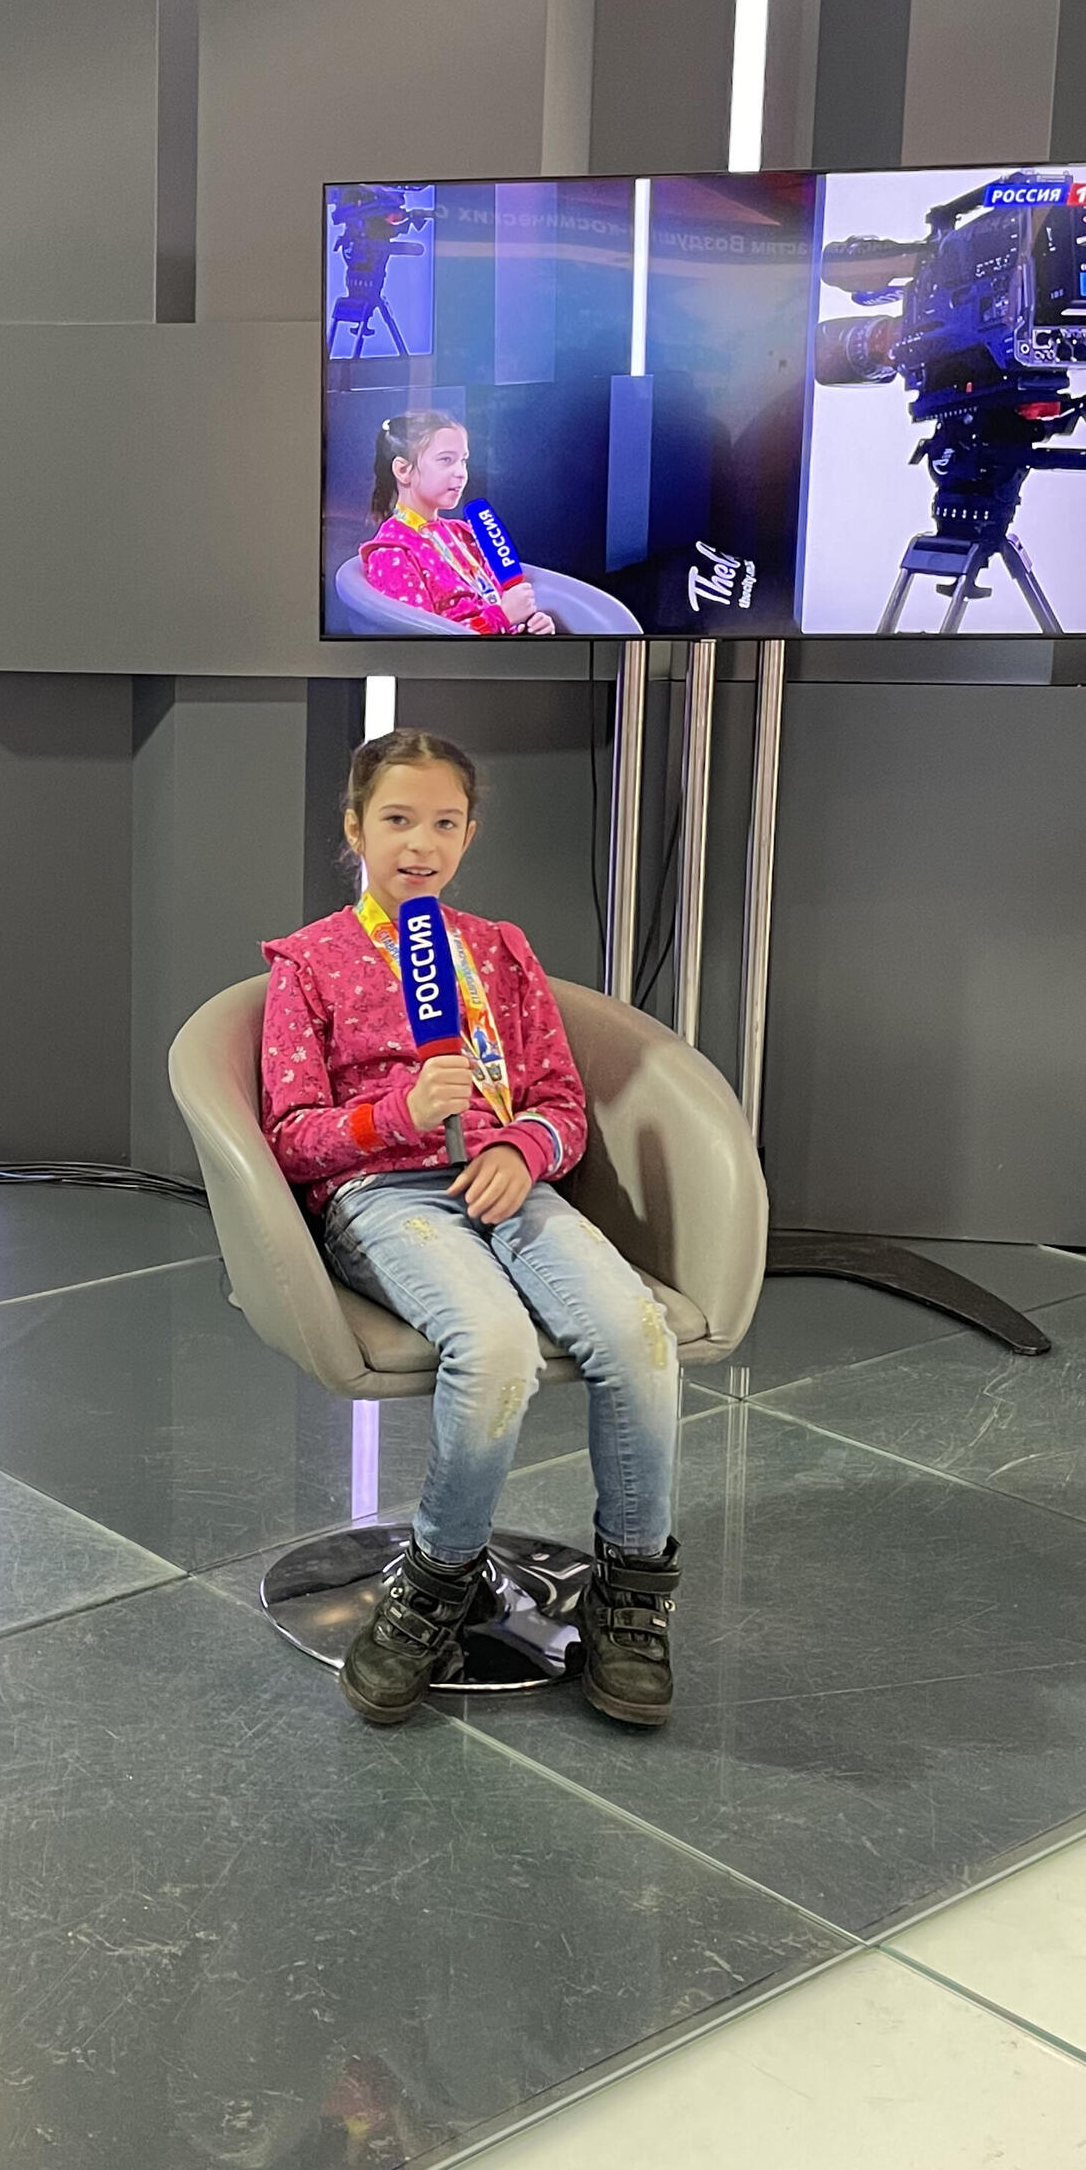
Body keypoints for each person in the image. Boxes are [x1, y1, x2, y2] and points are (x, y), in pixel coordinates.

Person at [258, 727, 682, 1728]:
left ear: (470, 834)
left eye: (445, 823)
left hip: (510, 1188)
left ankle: (631, 1595)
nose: (421, 844)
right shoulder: (308, 963)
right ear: (355, 828)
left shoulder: (499, 952)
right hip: (383, 1198)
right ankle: (434, 1583)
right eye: (398, 820)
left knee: (638, 1334)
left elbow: (562, 1103)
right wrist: (394, 1115)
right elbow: (289, 1136)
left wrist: (521, 1151)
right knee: (492, 1349)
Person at [357, 410, 557, 636]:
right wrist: (502, 617)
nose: (461, 473)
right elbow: (422, 645)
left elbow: (498, 599)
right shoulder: (392, 553)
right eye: (446, 460)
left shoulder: (463, 533)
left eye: (463, 461)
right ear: (403, 470)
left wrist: (528, 625)